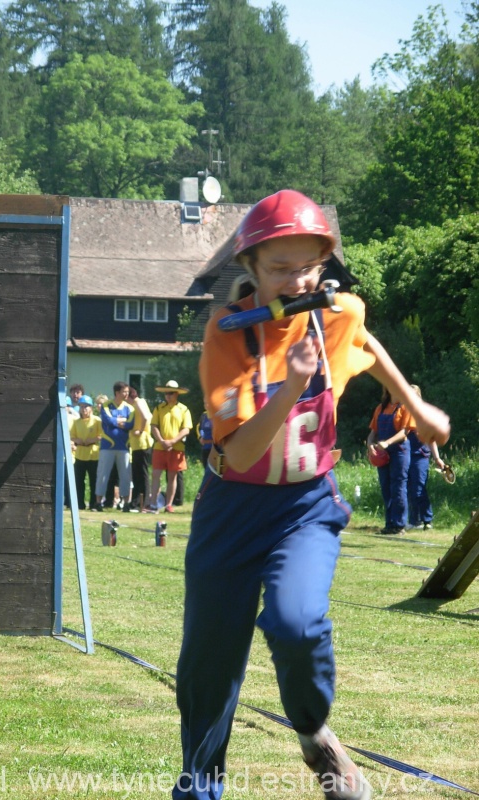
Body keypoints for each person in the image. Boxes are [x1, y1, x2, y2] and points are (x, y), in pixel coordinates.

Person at [172, 189, 450, 800]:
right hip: (232, 507)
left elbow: (368, 345)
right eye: (279, 268)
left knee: (298, 624)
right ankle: (200, 789)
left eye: (309, 266)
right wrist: (290, 384)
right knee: (209, 669)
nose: (298, 280)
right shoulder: (226, 336)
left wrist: (416, 406)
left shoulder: (338, 313)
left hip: (305, 506)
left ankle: (312, 729)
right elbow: (241, 452)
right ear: (248, 268)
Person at [367, 388, 412, 535]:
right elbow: (373, 432)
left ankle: (399, 525)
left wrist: (387, 442)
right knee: (386, 487)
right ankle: (389, 523)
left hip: (400, 451)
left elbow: (404, 432)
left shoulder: (405, 406)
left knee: (398, 486)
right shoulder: (380, 408)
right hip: (382, 452)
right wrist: (369, 445)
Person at [148, 380, 193, 514]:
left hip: (176, 448)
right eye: (166, 393)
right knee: (156, 474)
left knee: (172, 476)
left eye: (171, 393)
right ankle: (153, 503)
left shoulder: (184, 409)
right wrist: (162, 440)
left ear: (177, 394)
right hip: (159, 447)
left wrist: (172, 442)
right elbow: (153, 426)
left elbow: (186, 429)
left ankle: (168, 504)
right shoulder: (158, 408)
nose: (168, 395)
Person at [407, 385, 446, 530]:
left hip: (420, 456)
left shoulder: (423, 416)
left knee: (419, 488)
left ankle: (427, 519)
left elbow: (431, 439)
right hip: (405, 457)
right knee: (408, 489)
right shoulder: (403, 413)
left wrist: (437, 458)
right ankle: (413, 520)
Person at [94, 381, 134, 512]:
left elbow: (130, 424)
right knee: (102, 474)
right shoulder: (106, 406)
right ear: (117, 392)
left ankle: (126, 503)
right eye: (124, 392)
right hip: (107, 446)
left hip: (124, 446)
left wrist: (117, 422)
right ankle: (98, 502)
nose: (127, 394)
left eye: (127, 392)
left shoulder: (130, 408)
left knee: (125, 475)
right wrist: (122, 421)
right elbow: (108, 420)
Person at [70, 395, 102, 511]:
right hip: (80, 455)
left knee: (94, 481)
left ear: (91, 408)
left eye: (86, 407)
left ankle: (94, 504)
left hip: (93, 455)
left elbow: (102, 436)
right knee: (79, 482)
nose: (84, 409)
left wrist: (92, 440)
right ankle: (79, 504)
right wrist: (77, 441)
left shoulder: (97, 421)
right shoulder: (76, 422)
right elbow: (72, 436)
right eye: (82, 407)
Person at [127, 386, 153, 511]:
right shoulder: (141, 402)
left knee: (142, 474)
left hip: (142, 442)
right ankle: (137, 501)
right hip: (138, 444)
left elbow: (147, 417)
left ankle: (145, 502)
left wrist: (140, 430)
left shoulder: (138, 402)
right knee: (138, 474)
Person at [197, 401, 213, 468]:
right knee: (205, 467)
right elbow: (198, 427)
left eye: (208, 403)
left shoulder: (216, 415)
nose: (206, 405)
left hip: (214, 448)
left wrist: (212, 441)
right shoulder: (204, 415)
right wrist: (200, 437)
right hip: (205, 447)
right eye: (205, 403)